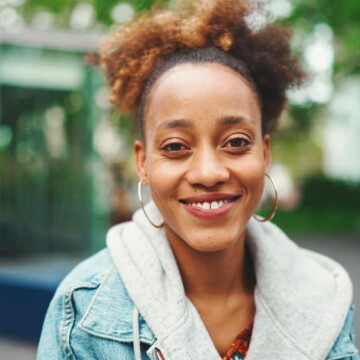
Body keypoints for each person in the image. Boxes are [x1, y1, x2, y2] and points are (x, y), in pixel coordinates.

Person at [37, 0, 359, 359]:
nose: (208, 173)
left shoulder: (324, 300)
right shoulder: (83, 311)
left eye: (236, 142)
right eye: (175, 146)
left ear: (264, 153)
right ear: (142, 162)